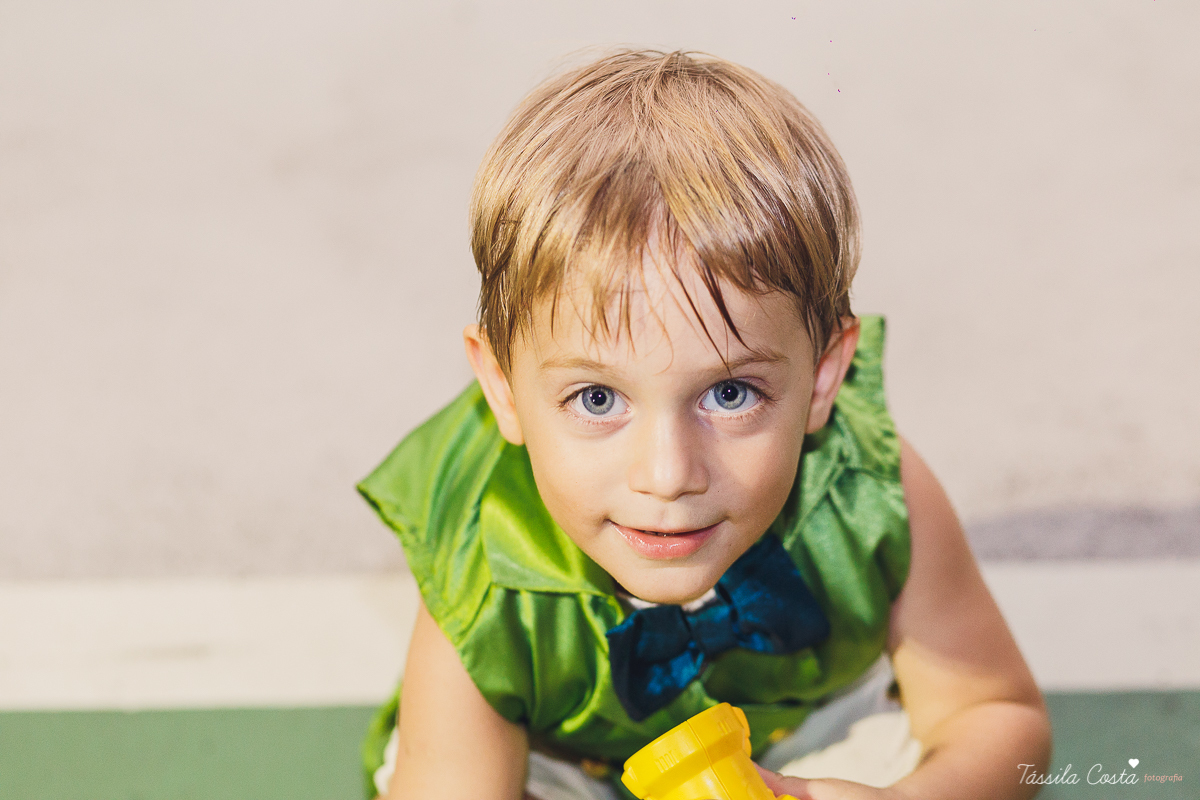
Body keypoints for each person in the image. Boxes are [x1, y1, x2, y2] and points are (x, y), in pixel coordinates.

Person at [357, 50, 1051, 800]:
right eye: (597, 399)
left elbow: (1000, 719)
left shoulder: (869, 492)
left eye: (729, 394)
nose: (667, 473)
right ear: (502, 388)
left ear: (823, 377)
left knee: (907, 758)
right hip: (562, 764)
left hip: (812, 734)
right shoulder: (485, 567)